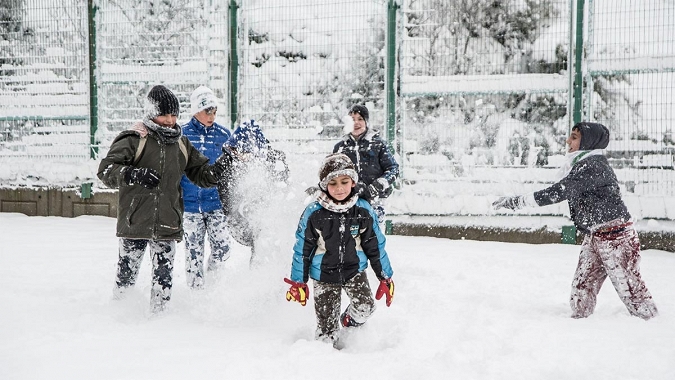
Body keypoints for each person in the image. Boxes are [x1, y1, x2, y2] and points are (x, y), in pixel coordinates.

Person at [492, 121, 658, 320]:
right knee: (582, 287)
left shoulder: (594, 166)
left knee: (630, 289)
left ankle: (650, 322)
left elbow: (558, 192)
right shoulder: (582, 164)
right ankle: (579, 324)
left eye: (574, 137)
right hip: (596, 234)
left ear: (587, 142)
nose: (568, 141)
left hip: (616, 238)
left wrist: (516, 202)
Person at [97, 84, 231, 313]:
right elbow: (106, 171)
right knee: (126, 277)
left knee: (163, 280)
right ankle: (119, 317)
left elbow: (201, 174)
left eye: (173, 115)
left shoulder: (180, 143)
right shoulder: (133, 139)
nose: (170, 120)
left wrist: (222, 166)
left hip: (168, 222)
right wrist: (132, 173)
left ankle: (159, 323)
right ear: (151, 113)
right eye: (164, 114)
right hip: (135, 221)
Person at [284, 153, 395, 348]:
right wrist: (298, 281)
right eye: (333, 183)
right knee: (327, 334)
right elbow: (302, 248)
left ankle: (347, 323)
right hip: (323, 275)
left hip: (354, 271)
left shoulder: (362, 210)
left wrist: (385, 276)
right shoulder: (314, 212)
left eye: (344, 181)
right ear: (324, 186)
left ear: (353, 182)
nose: (339, 188)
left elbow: (375, 245)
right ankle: (326, 362)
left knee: (365, 308)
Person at [216, 120, 289, 266]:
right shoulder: (226, 163)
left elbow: (282, 188)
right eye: (238, 151)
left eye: (247, 152)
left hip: (266, 214)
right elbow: (224, 195)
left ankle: (263, 270)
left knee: (263, 239)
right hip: (238, 218)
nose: (242, 156)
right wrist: (236, 211)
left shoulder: (274, 161)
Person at [180, 86, 232, 289]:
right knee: (194, 252)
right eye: (206, 110)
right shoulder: (182, 135)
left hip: (216, 204)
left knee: (223, 247)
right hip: (190, 206)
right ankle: (196, 293)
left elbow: (230, 170)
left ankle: (214, 285)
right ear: (195, 111)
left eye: (214, 110)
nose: (211, 115)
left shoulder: (224, 135)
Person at [333, 104, 399, 223]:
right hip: (350, 198)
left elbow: (393, 168)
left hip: (376, 199)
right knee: (352, 235)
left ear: (366, 121)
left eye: (360, 119)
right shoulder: (341, 148)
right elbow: (333, 173)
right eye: (353, 119)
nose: (356, 123)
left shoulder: (378, 144)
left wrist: (379, 184)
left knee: (373, 233)